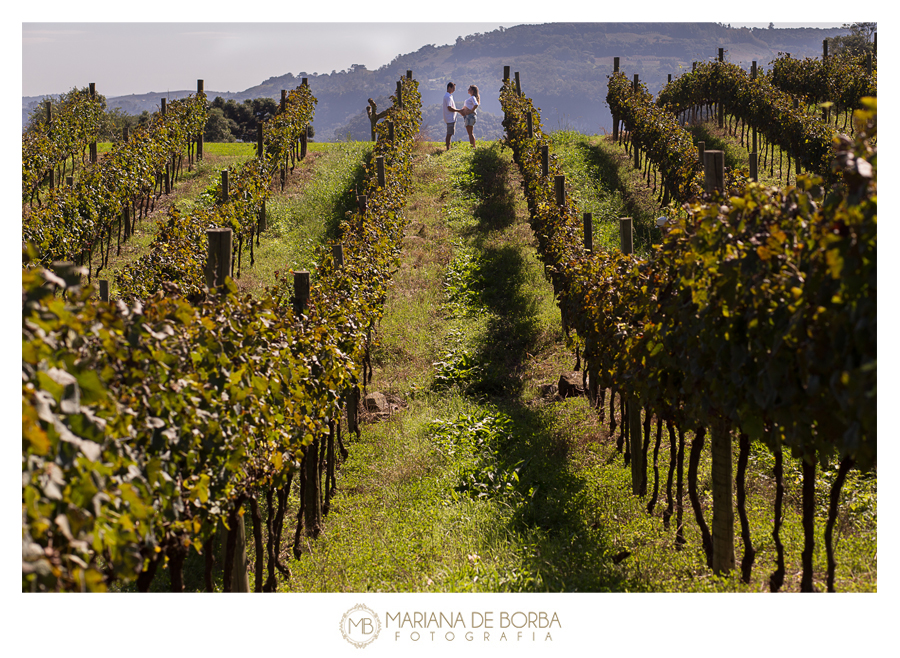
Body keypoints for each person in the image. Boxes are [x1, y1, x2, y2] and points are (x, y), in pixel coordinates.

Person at [443, 82, 463, 151]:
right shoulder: (448, 97)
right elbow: (449, 107)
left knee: (450, 133)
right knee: (449, 133)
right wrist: (458, 110)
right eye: (453, 88)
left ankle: (448, 146)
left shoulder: (449, 96)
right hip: (450, 118)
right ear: (449, 87)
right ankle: (448, 147)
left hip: (451, 117)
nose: (454, 90)